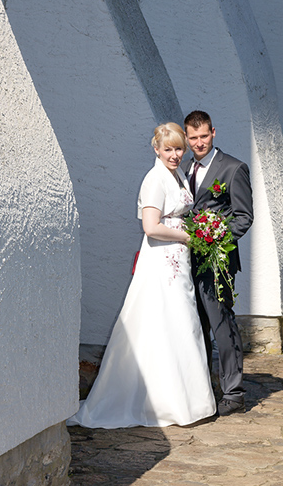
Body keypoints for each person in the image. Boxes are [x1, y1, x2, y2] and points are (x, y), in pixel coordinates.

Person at [67, 122, 216, 429]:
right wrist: (188, 235)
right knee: (165, 322)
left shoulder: (175, 176)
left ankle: (184, 400)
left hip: (177, 262)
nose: (174, 155)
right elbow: (151, 227)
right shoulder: (154, 180)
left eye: (178, 149)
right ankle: (159, 402)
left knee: (180, 323)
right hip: (161, 261)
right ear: (156, 149)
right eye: (168, 149)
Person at [183, 110, 253, 416]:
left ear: (214, 132)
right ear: (187, 138)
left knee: (222, 324)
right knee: (194, 324)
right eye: (193, 137)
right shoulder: (186, 168)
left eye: (204, 136)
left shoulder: (233, 169)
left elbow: (244, 218)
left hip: (218, 261)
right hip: (187, 262)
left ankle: (234, 392)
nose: (199, 142)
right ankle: (202, 388)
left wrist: (215, 241)